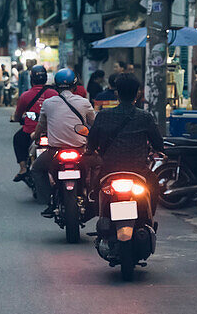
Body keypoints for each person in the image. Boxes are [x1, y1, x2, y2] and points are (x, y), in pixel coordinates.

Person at [85, 73, 163, 207]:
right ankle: (149, 220)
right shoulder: (145, 117)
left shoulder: (103, 116)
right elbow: (158, 144)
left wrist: (91, 151)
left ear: (116, 94)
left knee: (95, 191)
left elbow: (92, 142)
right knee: (154, 184)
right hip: (138, 170)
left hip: (109, 169)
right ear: (137, 94)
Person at [31, 69, 95, 215]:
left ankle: (48, 201)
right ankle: (92, 196)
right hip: (80, 151)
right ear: (75, 86)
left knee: (36, 169)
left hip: (55, 152)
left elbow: (41, 126)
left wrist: (35, 136)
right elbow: (94, 125)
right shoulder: (84, 103)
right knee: (98, 166)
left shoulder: (48, 104)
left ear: (56, 87)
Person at [11, 65, 57, 181]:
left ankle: (23, 168)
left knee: (17, 138)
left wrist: (16, 118)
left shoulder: (25, 95)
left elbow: (17, 115)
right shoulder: (54, 94)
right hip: (51, 130)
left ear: (31, 79)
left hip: (30, 131)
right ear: (46, 79)